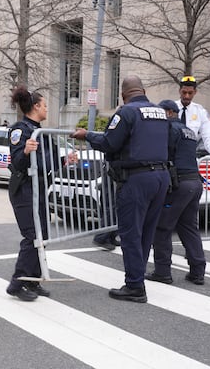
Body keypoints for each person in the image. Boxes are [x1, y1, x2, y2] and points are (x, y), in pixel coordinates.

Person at [73, 75, 170, 303]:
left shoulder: (126, 112)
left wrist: (87, 134)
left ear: (123, 95)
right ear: (143, 90)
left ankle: (135, 286)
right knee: (146, 232)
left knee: (130, 233)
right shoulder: (160, 113)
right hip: (161, 177)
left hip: (136, 179)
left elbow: (109, 143)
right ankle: (138, 277)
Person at [6, 85, 78, 301]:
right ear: (36, 106)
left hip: (39, 190)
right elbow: (18, 163)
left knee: (42, 237)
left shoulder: (43, 132)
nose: (47, 109)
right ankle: (17, 283)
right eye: (45, 105)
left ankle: (33, 280)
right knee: (32, 236)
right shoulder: (20, 130)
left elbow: (49, 162)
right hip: (24, 190)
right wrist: (26, 151)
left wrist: (66, 161)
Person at [146, 100, 207, 285]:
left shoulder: (169, 129)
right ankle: (198, 271)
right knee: (188, 227)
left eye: (161, 112)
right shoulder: (187, 130)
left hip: (179, 184)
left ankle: (162, 272)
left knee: (162, 227)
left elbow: (163, 153)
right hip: (194, 182)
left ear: (170, 112)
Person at [175, 75, 210, 159]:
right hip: (172, 156)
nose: (187, 96)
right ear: (179, 91)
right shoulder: (171, 108)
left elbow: (209, 136)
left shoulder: (201, 112)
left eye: (190, 93)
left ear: (195, 92)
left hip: (189, 156)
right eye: (184, 92)